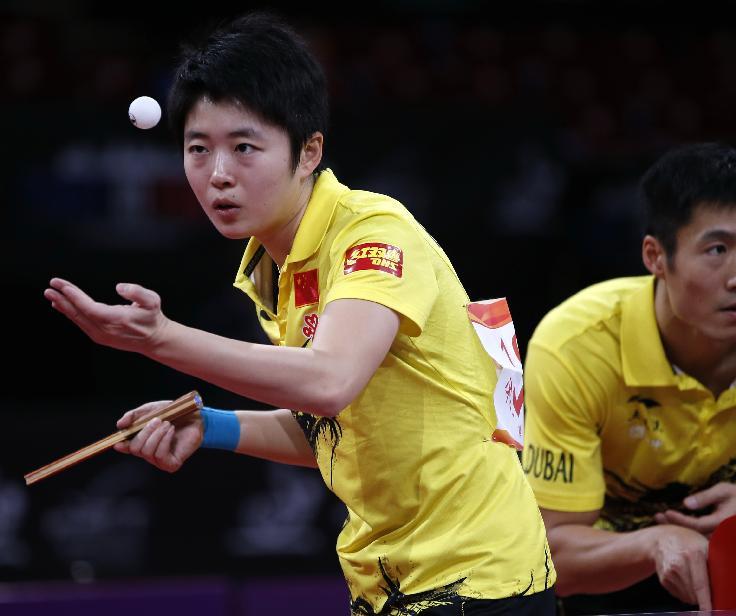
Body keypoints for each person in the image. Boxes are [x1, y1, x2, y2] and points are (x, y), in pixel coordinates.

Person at [44, 12, 555, 616]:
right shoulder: (273, 266)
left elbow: (330, 382)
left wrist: (160, 339)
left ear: (309, 150)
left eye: (244, 147)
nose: (218, 175)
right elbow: (333, 426)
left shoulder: (373, 234)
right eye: (197, 150)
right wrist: (212, 426)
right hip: (389, 585)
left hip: (478, 581)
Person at [521, 143, 736, 614]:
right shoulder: (574, 350)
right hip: (612, 560)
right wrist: (657, 543)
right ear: (656, 257)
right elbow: (554, 553)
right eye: (716, 249)